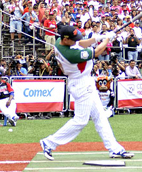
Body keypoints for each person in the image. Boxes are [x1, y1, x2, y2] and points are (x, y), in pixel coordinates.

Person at [39, 26, 133, 161]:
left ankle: (114, 148)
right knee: (81, 121)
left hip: (84, 81)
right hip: (81, 83)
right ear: (66, 40)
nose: (76, 40)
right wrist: (107, 40)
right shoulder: (71, 55)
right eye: (73, 39)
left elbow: (81, 43)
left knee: (100, 116)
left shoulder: (60, 40)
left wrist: (100, 37)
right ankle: (49, 142)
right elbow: (97, 52)